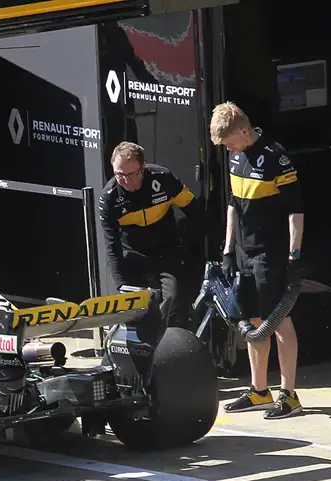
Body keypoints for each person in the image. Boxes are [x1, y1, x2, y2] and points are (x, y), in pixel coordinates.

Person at [211, 102, 305, 419]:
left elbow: (296, 210)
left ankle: (289, 395)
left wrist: (294, 255)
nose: (228, 148)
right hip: (243, 252)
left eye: (229, 142)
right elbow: (233, 206)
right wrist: (227, 250)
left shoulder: (276, 156)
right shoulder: (235, 156)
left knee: (278, 322)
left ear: (244, 130)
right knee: (253, 321)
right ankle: (259, 390)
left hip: (271, 252)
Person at [98, 141, 202, 328]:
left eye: (131, 174)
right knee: (136, 309)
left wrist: (187, 247)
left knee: (175, 301)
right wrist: (122, 285)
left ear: (143, 168)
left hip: (166, 251)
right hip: (133, 254)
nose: (126, 181)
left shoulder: (162, 178)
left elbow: (195, 211)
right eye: (119, 174)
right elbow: (111, 246)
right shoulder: (109, 197)